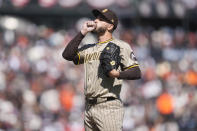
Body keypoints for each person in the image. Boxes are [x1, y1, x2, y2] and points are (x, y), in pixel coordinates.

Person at [62, 8, 141, 131]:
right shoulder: (89, 48)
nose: (95, 21)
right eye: (96, 18)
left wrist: (116, 73)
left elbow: (136, 72)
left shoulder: (121, 46)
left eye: (101, 19)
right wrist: (82, 32)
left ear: (110, 26)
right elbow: (67, 55)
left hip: (108, 105)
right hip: (89, 106)